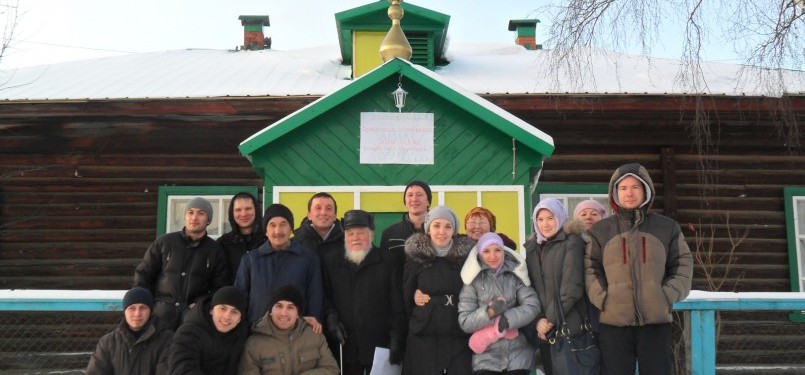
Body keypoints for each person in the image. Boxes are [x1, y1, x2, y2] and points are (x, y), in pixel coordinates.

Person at [585, 163, 693, 375]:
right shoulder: (601, 231)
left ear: (646, 190)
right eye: (623, 188)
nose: (629, 193)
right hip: (614, 323)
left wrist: (665, 294)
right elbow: (590, 268)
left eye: (635, 187)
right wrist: (603, 298)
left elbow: (683, 263)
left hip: (655, 323)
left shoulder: (666, 227)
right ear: (615, 193)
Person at [321, 210, 406, 375]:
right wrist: (331, 319)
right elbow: (325, 296)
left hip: (380, 346)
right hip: (345, 346)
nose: (355, 238)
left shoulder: (388, 261)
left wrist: (397, 338)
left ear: (372, 235)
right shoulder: (332, 261)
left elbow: (397, 304)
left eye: (361, 233)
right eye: (350, 233)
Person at [134, 197, 231, 330]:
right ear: (185, 216)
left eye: (201, 213)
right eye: (190, 212)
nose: (194, 217)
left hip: (192, 323)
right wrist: (149, 305)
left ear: (208, 220)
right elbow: (143, 276)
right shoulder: (164, 243)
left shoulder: (215, 251)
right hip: (158, 320)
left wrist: (199, 305)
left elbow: (219, 288)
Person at [402, 205, 474, 374]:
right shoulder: (416, 257)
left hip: (458, 334)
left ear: (454, 230)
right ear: (428, 229)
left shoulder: (465, 258)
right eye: (436, 225)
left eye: (448, 226)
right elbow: (405, 292)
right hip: (424, 334)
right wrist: (414, 295)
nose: (442, 231)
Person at [458, 232, 540, 375]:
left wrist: (507, 319)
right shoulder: (472, 281)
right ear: (480, 253)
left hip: (518, 355)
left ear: (503, 251)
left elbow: (532, 305)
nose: (493, 256)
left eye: (497, 250)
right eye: (487, 251)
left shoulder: (515, 275)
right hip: (486, 358)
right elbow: (465, 322)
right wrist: (488, 312)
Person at [524, 198, 589, 375]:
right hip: (545, 332)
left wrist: (549, 320)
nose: (545, 224)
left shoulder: (572, 242)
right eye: (540, 219)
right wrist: (537, 320)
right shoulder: (532, 248)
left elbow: (572, 287)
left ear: (560, 217)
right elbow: (528, 290)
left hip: (569, 327)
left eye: (550, 218)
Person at [235, 203, 324, 329]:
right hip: (257, 333)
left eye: (283, 224)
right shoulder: (250, 260)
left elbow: (315, 296)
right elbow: (239, 298)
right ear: (266, 231)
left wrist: (312, 321)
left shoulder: (308, 259)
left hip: (295, 334)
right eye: (272, 225)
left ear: (291, 229)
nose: (278, 231)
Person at [239, 285, 340, 375]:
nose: (284, 313)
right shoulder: (253, 344)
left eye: (290, 307)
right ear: (270, 311)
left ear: (297, 313)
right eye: (279, 306)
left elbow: (331, 369)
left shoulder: (314, 334)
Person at [86, 287, 173, 375]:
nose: (137, 314)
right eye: (132, 308)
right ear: (125, 311)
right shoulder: (108, 342)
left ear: (150, 311)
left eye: (143, 308)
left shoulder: (166, 340)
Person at [169, 286, 249, 375]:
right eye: (222, 309)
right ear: (211, 310)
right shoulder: (189, 333)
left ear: (239, 319)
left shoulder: (241, 336)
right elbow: (181, 369)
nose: (227, 316)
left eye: (234, 312)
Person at [381, 180, 432, 265]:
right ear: (405, 201)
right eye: (410, 195)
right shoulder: (389, 234)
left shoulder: (439, 233)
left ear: (428, 201)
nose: (414, 199)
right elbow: (385, 268)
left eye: (419, 195)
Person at [217, 192, 265, 278]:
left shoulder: (268, 240)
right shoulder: (223, 243)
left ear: (256, 211)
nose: (243, 214)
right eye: (238, 210)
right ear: (232, 213)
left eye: (248, 209)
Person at [293, 192, 344, 259]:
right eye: (318, 208)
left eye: (328, 208)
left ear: (335, 216)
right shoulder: (294, 244)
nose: (323, 213)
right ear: (309, 215)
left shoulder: (347, 243)